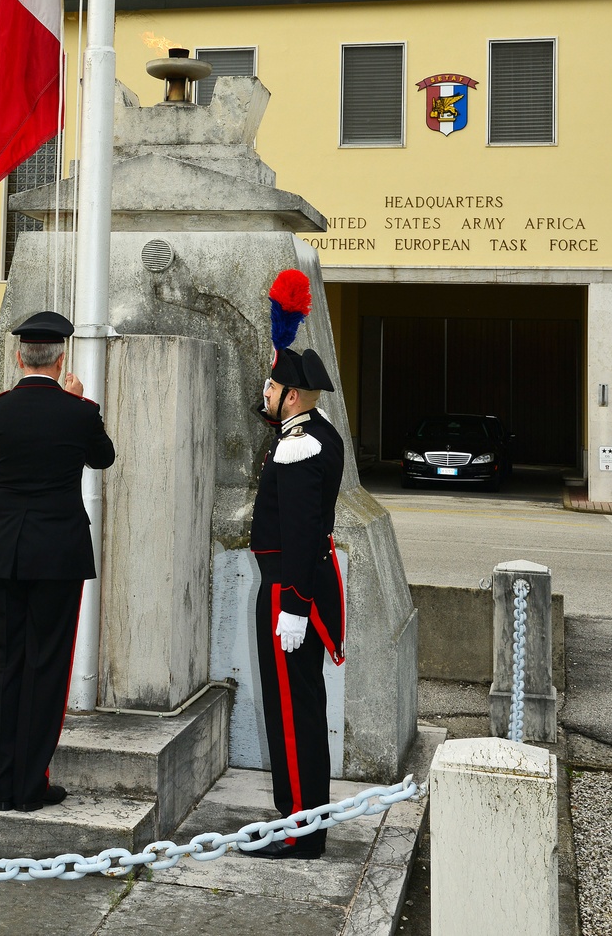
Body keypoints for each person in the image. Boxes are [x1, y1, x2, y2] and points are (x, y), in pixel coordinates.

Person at [0, 310, 116, 813]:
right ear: (61, 360)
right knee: (46, 666)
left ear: (19, 357)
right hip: (57, 552)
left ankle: (0, 781)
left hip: (4, 550)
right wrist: (81, 403)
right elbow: (103, 457)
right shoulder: (77, 412)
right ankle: (30, 784)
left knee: (2, 663)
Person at [243, 269, 345, 860]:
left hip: (290, 590)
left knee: (294, 709)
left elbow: (304, 535)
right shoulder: (303, 432)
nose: (264, 393)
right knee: (293, 705)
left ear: (294, 396)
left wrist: (295, 606)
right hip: (289, 586)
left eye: (273, 387)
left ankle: (303, 828)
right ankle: (294, 812)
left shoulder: (301, 444)